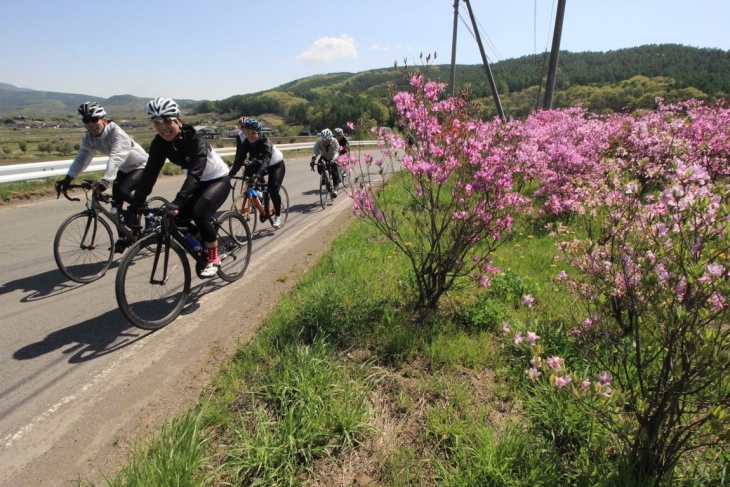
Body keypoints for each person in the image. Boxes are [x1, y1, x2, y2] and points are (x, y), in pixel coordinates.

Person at [129, 97, 231, 278]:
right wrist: (136, 202)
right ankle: (203, 239)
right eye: (157, 122)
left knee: (200, 213)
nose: (162, 127)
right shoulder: (159, 143)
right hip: (197, 182)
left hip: (217, 179)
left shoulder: (195, 140)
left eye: (167, 121)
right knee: (176, 220)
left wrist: (178, 202)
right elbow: (150, 173)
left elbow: (195, 174)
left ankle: (214, 257)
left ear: (179, 120)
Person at [55, 102, 149, 253]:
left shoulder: (117, 133)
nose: (90, 124)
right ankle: (124, 238)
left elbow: (115, 157)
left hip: (142, 166)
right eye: (86, 121)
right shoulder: (89, 138)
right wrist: (68, 178)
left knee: (122, 190)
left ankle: (149, 214)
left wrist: (106, 180)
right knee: (114, 208)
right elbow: (82, 159)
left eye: (94, 119)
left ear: (104, 120)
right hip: (124, 169)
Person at [228, 117, 286, 229]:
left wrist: (258, 175)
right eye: (247, 132)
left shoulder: (265, 142)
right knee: (247, 176)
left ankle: (278, 216)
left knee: (273, 189)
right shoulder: (246, 142)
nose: (250, 135)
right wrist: (230, 174)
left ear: (258, 132)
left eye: (253, 133)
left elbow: (266, 160)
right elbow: (240, 159)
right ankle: (259, 194)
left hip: (275, 165)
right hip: (260, 164)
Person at [309, 128, 341, 198]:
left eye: (327, 141)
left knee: (334, 172)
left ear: (330, 139)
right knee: (319, 167)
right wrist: (313, 160)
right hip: (324, 156)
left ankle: (335, 190)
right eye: (324, 141)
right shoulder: (319, 142)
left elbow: (336, 152)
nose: (325, 142)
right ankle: (324, 176)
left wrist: (334, 160)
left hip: (333, 157)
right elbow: (316, 152)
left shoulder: (334, 141)